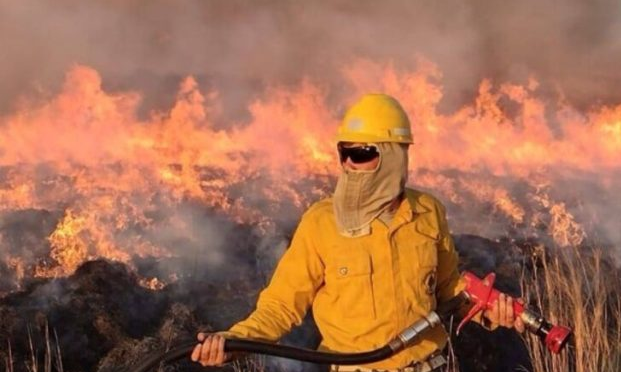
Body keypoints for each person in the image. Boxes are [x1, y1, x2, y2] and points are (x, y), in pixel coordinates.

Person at [191, 93, 524, 371]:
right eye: (344, 152)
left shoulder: (427, 212)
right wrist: (233, 342)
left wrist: (490, 309)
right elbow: (280, 306)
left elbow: (449, 290)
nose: (349, 163)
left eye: (362, 153)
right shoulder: (322, 222)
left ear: (393, 156)